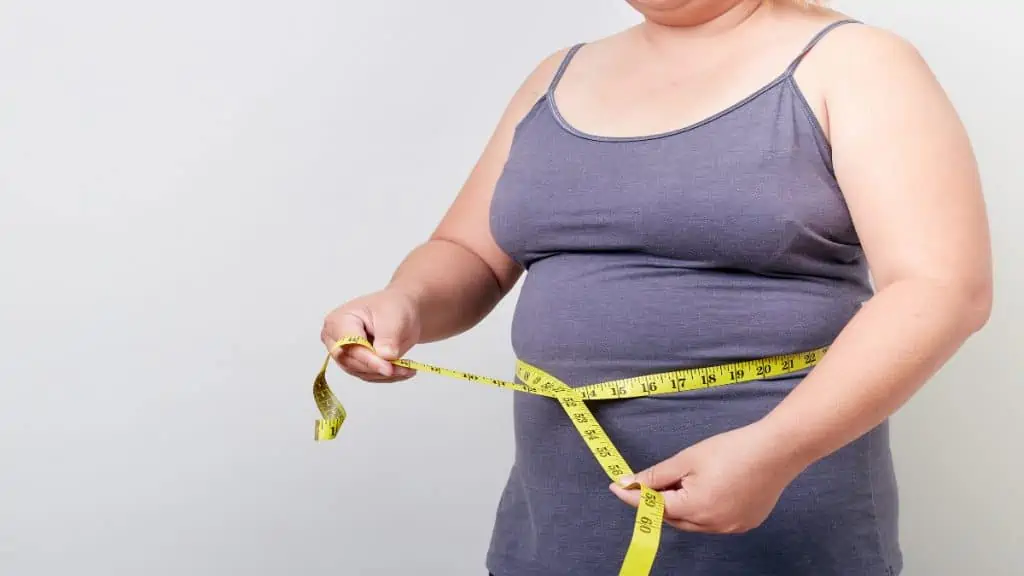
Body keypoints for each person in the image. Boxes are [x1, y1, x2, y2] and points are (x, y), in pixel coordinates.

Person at [320, 0, 992, 574]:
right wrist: (403, 302)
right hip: (551, 532)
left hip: (777, 523)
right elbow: (470, 253)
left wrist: (775, 450)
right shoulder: (555, 75)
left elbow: (940, 288)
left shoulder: (856, 63)